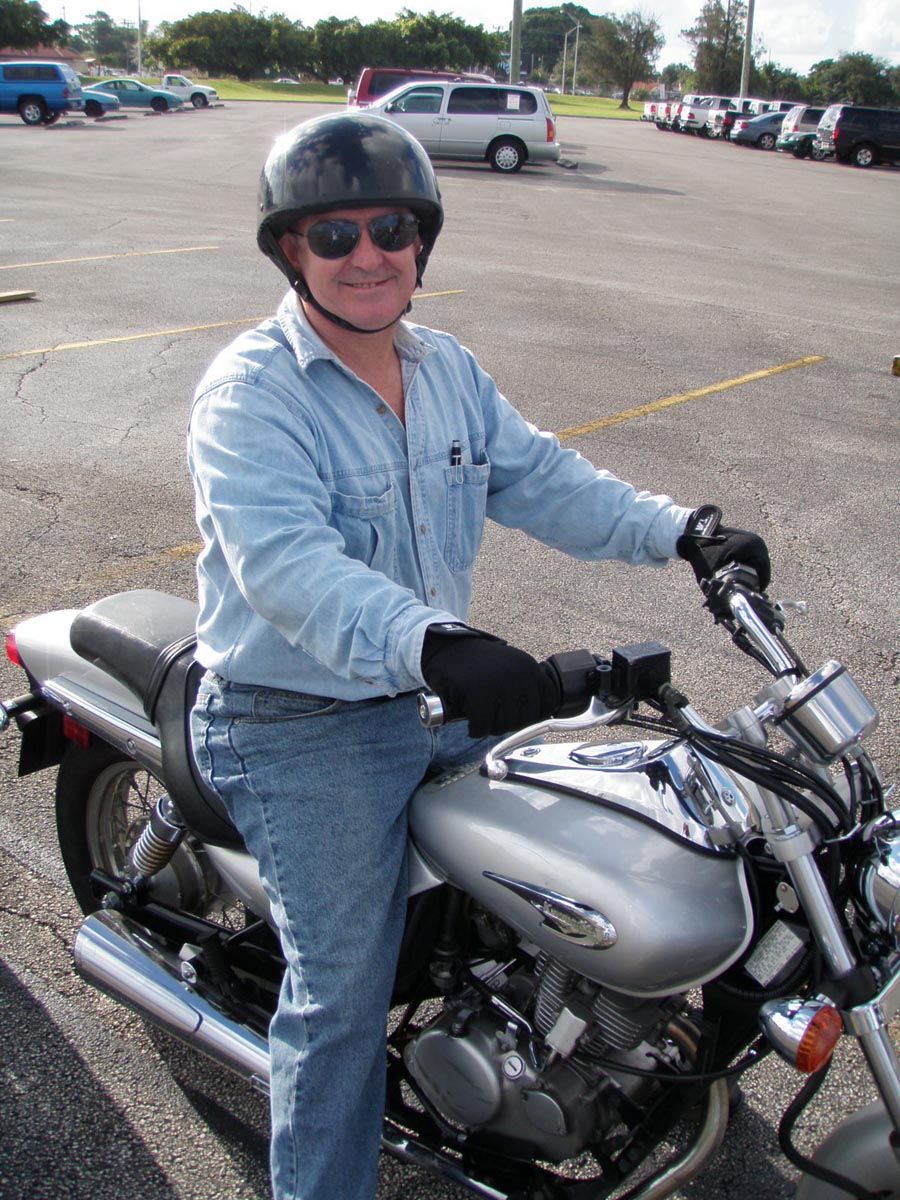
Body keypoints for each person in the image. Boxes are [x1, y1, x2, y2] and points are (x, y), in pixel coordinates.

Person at [187, 111, 771, 1200]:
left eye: (392, 229)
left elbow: (544, 479)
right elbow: (287, 568)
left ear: (423, 240)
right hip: (295, 719)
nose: (368, 254)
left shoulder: (444, 367)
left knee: (592, 860)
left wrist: (683, 530)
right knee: (342, 1001)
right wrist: (435, 639)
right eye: (335, 234)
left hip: (427, 693)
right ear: (289, 249)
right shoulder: (250, 394)